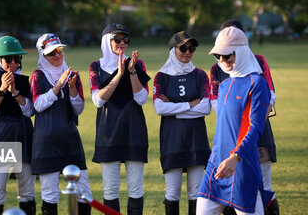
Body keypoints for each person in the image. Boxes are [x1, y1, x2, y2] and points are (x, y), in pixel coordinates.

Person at [197, 26, 274, 215]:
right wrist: (218, 159)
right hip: (215, 165)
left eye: (227, 55)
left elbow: (255, 128)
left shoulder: (257, 84)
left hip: (242, 166)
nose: (222, 61)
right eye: (218, 56)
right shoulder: (223, 86)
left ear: (240, 52)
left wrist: (235, 157)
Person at [89, 23, 150, 215]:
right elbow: (98, 101)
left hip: (134, 131)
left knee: (135, 189)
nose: (122, 43)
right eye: (117, 39)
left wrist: (131, 72)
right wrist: (119, 74)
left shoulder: (137, 64)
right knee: (110, 189)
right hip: (108, 134)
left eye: (125, 39)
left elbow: (141, 99)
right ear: (107, 42)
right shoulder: (96, 66)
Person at [30, 33, 92, 215]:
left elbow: (78, 109)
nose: (57, 55)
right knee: (50, 194)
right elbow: (38, 105)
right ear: (43, 55)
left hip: (70, 140)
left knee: (84, 191)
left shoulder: (72, 75)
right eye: (51, 53)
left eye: (59, 50)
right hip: (46, 142)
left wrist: (72, 89)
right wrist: (58, 86)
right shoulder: (38, 76)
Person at [153, 31, 211, 215]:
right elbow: (160, 108)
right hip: (172, 141)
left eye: (191, 48)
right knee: (173, 192)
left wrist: (175, 108)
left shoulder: (200, 75)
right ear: (173, 50)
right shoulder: (161, 76)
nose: (187, 52)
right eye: (183, 48)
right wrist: (190, 104)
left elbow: (206, 108)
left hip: (197, 139)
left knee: (196, 192)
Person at [0, 36, 36, 215]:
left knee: (27, 191)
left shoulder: (24, 81)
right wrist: (2, 90)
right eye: (8, 59)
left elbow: (29, 111)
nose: (13, 63)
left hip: (24, 137)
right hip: (0, 138)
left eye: (17, 59)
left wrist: (16, 93)